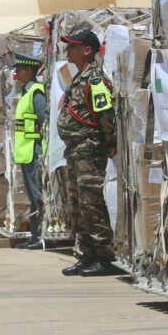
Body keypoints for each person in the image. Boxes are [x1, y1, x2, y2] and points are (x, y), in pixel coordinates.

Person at [56, 28, 119, 277]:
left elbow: (106, 115)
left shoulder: (95, 80)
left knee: (91, 204)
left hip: (89, 149)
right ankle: (87, 254)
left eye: (72, 46)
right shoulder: (80, 78)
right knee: (77, 206)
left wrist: (109, 141)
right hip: (75, 151)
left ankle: (104, 256)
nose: (67, 51)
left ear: (87, 50)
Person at [12, 53, 47, 250]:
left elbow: (44, 122)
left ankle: (39, 236)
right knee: (33, 198)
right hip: (26, 153)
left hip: (35, 152)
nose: (16, 73)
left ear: (28, 71)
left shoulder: (36, 93)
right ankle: (34, 235)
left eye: (19, 70)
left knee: (38, 197)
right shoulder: (26, 93)